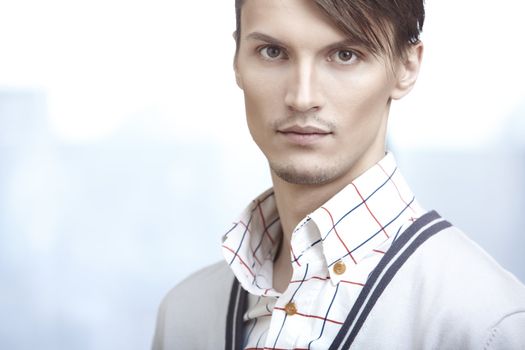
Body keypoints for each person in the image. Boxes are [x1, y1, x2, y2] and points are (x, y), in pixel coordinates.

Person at [152, 0, 525, 348]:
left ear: (407, 66)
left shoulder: (485, 322)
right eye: (272, 52)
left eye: (345, 55)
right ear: (236, 60)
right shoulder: (185, 314)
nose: (301, 97)